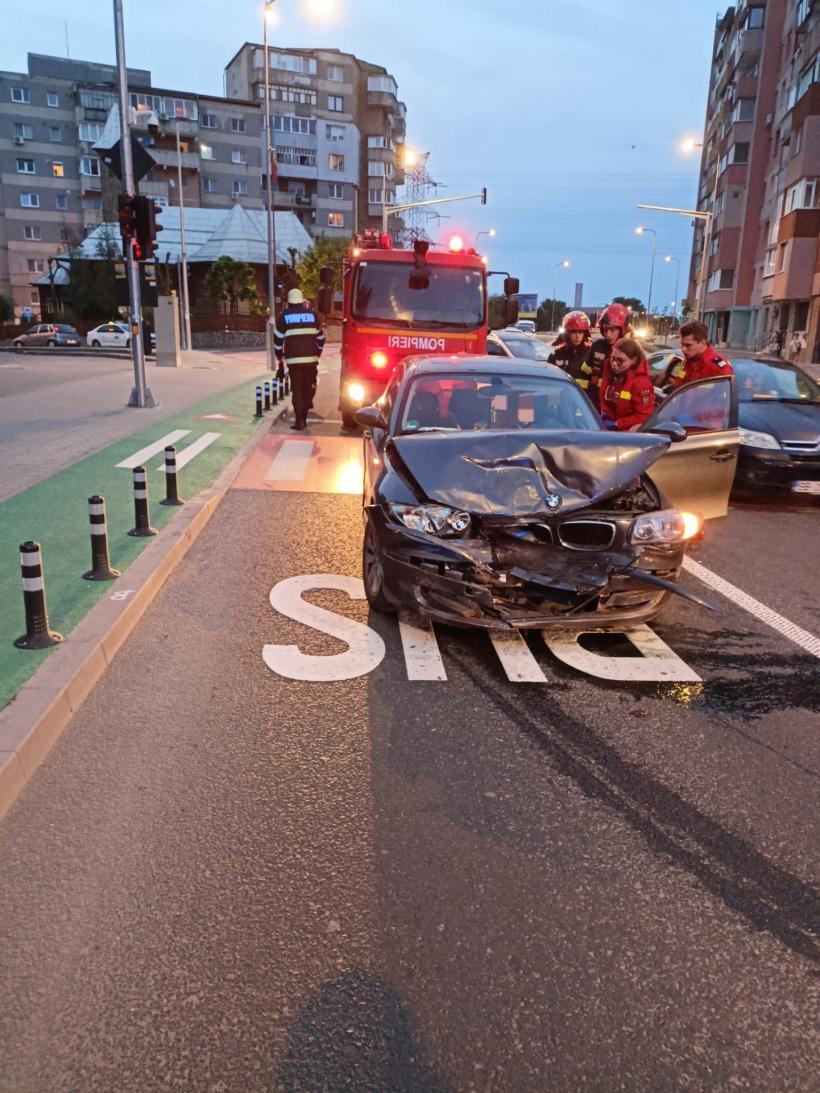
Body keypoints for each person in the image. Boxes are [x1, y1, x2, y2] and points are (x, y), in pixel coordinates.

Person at [273, 288, 325, 431]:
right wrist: (318, 353)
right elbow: (321, 338)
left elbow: (277, 342)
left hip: (294, 362)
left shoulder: (283, 317)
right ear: (302, 302)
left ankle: (300, 420)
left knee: (297, 390)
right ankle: (306, 407)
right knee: (309, 387)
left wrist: (280, 361)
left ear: (289, 303)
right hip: (311, 361)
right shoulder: (312, 316)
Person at [599, 337, 656, 431]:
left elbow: (644, 416)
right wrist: (604, 413)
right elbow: (605, 397)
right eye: (613, 358)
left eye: (620, 360)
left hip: (626, 436)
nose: (614, 364)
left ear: (633, 360)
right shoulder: (610, 373)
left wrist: (617, 424)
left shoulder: (641, 383)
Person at [584, 302, 632, 408]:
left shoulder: (631, 350)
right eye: (605, 330)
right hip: (594, 404)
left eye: (612, 329)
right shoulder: (597, 345)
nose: (608, 335)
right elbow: (585, 372)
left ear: (622, 329)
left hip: (617, 407)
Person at [668, 320, 733, 387]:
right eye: (682, 345)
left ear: (702, 343)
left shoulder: (717, 367)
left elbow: (726, 393)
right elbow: (679, 385)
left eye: (688, 345)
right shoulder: (687, 361)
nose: (683, 349)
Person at [548, 310, 593, 391]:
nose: (577, 336)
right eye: (573, 332)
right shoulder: (556, 354)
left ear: (585, 334)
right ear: (567, 333)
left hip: (582, 400)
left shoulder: (590, 354)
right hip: (561, 399)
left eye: (580, 332)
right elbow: (550, 384)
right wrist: (553, 403)